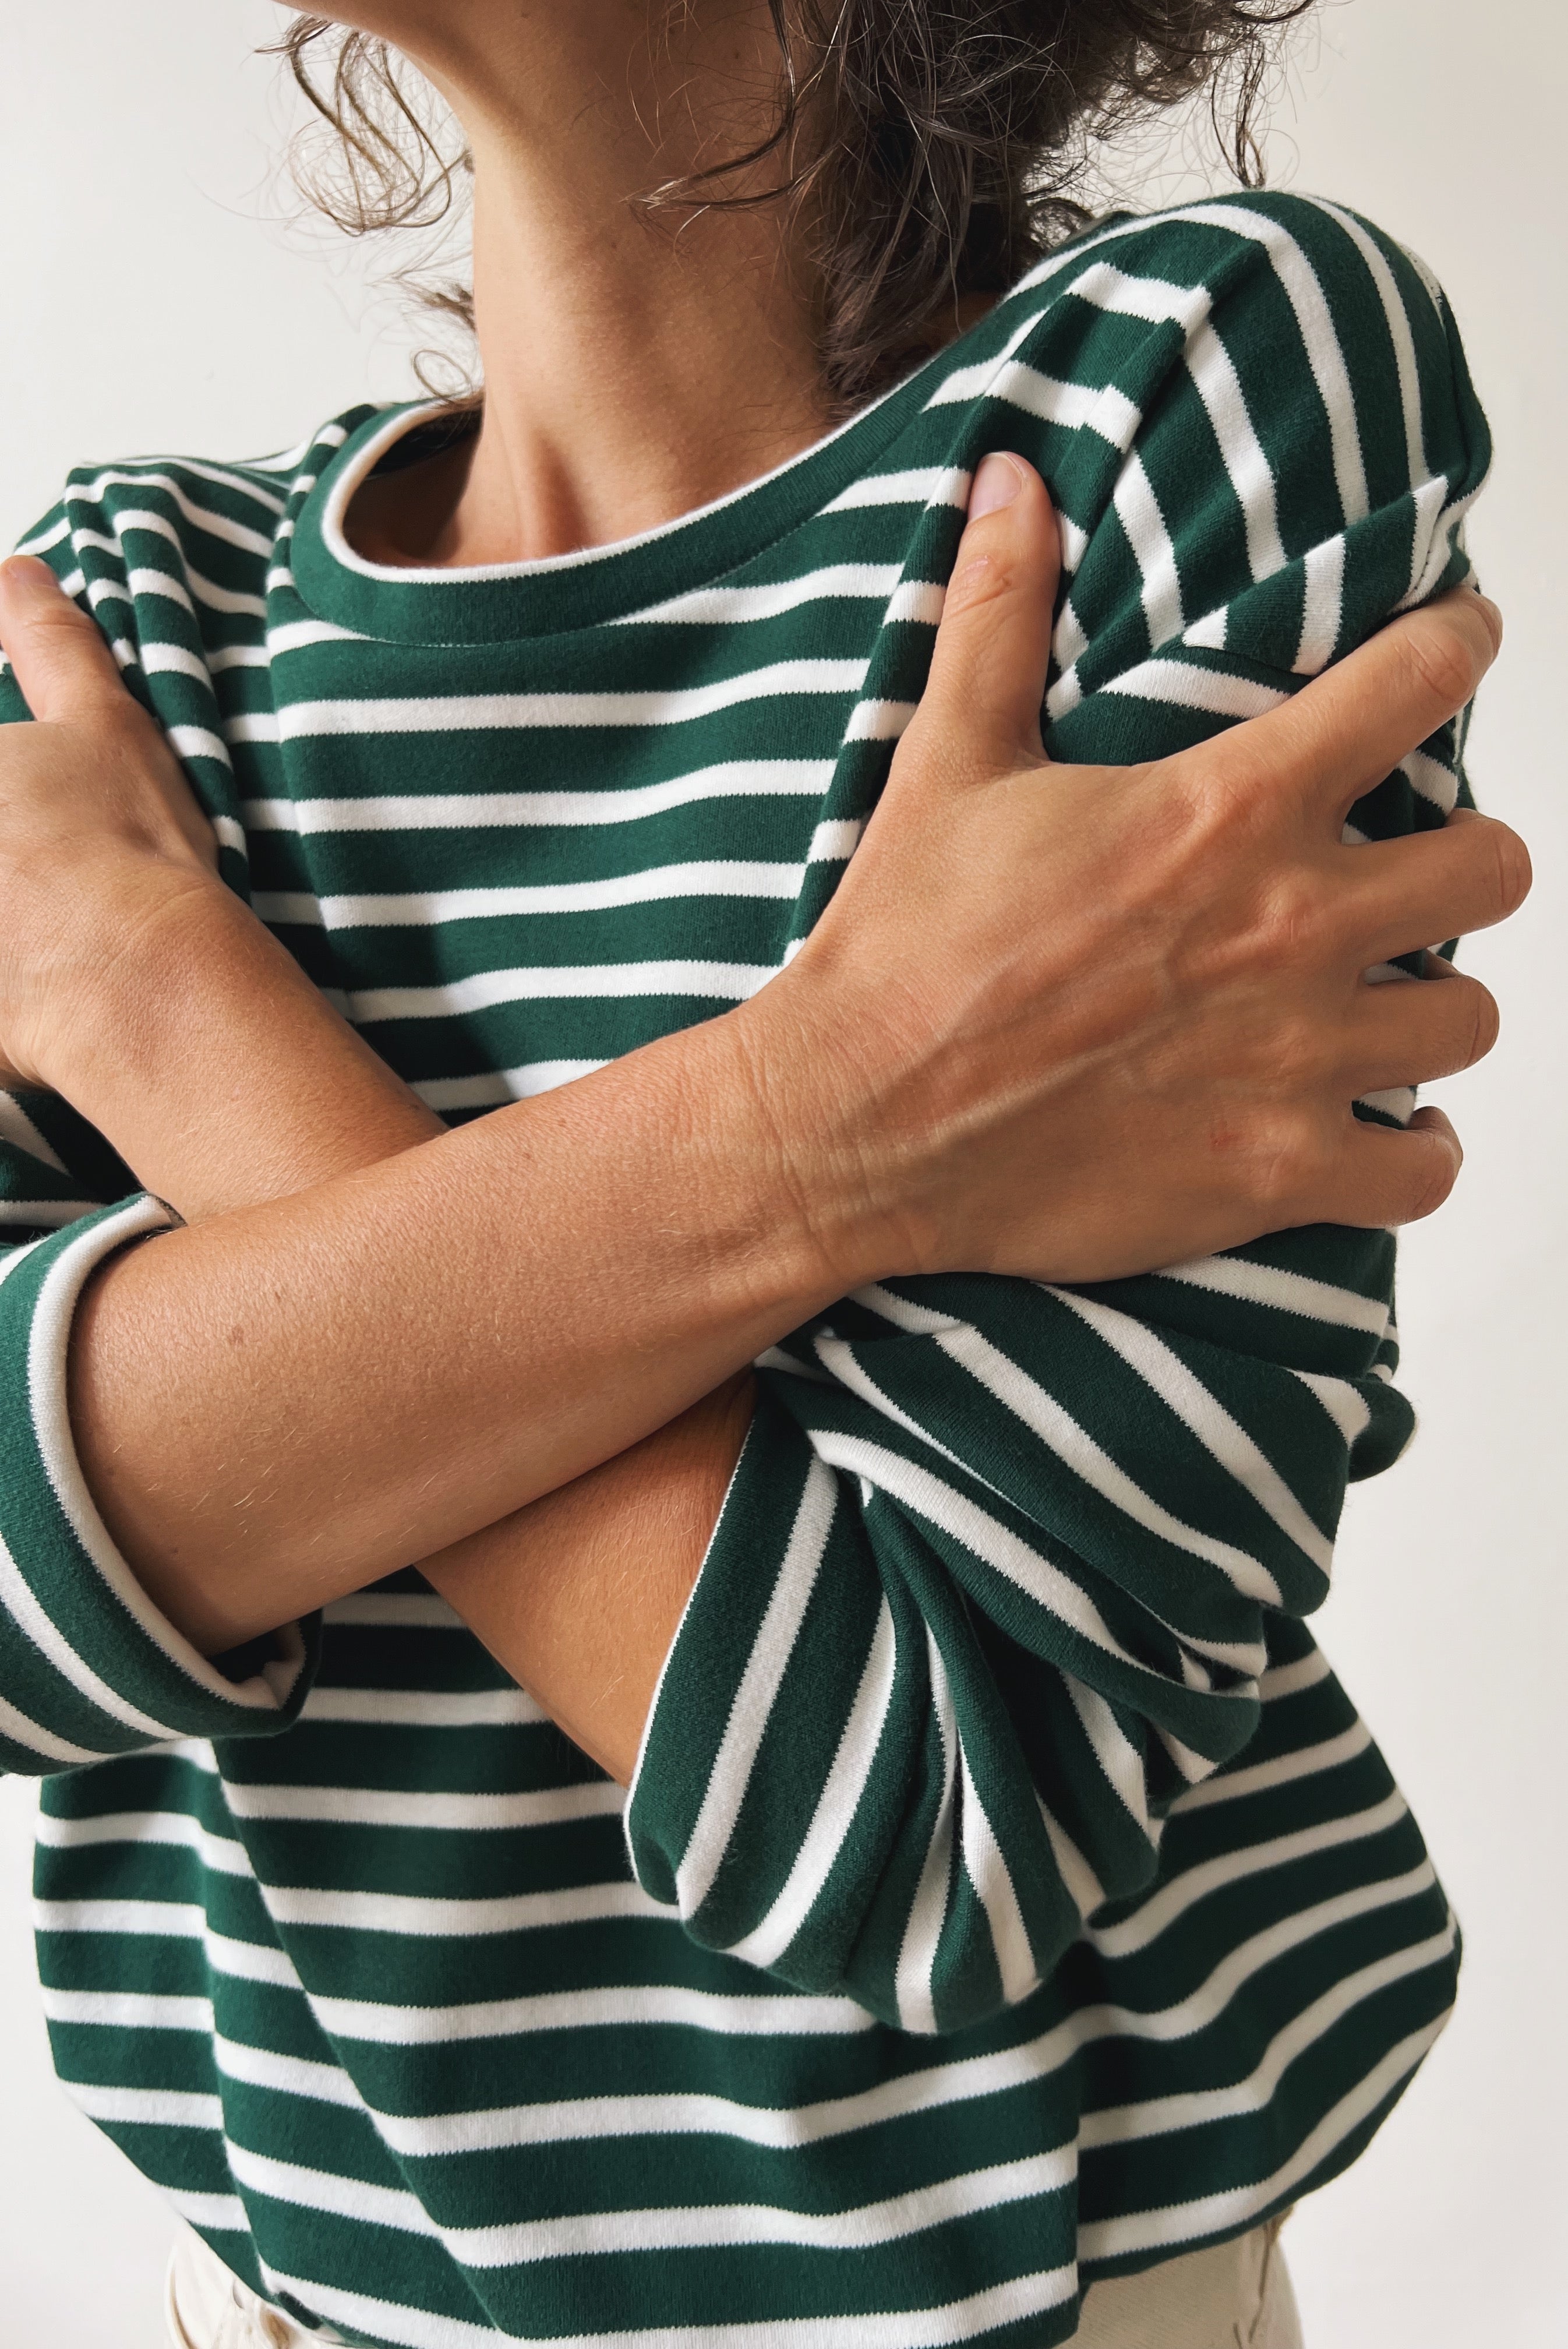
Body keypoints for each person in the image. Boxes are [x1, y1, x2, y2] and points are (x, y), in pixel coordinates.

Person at [0, 4, 1529, 2346]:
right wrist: (846, 1117)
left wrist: (169, 1018)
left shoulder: (1165, 399)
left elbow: (930, 1822)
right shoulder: (110, 619)